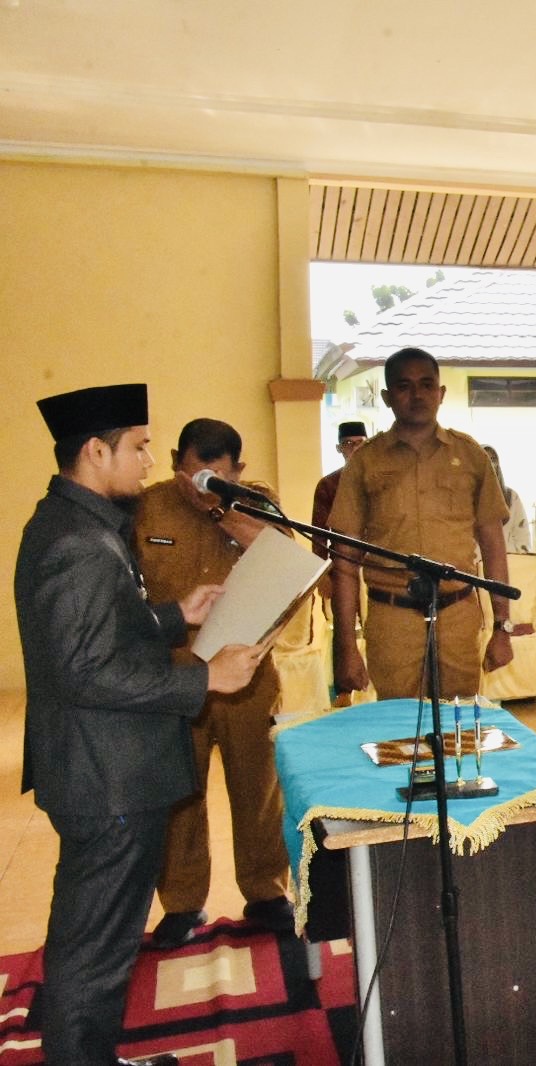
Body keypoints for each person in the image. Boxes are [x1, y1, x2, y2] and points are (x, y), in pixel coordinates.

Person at [18, 383, 263, 1066]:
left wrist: (175, 615)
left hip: (106, 768)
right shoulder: (79, 543)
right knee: (95, 950)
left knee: (98, 939)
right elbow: (86, 672)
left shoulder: (79, 525)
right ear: (96, 453)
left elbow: (99, 634)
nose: (151, 461)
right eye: (139, 446)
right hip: (109, 778)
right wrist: (204, 678)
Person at [134, 419, 294, 949]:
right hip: (176, 674)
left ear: (237, 471)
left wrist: (222, 507)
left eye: (218, 475)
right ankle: (182, 903)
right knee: (180, 792)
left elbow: (285, 559)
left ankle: (266, 892)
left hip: (247, 672)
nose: (200, 485)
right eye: (194, 473)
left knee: (258, 788)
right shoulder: (146, 507)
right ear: (175, 461)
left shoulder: (256, 503)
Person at [329, 347, 514, 700]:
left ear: (441, 393)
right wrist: (346, 645)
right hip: (392, 617)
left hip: (457, 615)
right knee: (399, 725)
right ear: (387, 397)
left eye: (427, 385)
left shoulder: (470, 455)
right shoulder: (366, 462)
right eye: (405, 386)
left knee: (459, 721)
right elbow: (345, 559)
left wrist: (502, 626)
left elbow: (493, 546)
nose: (417, 395)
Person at [309, 420, 366, 560]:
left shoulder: (379, 480)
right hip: (342, 558)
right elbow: (319, 534)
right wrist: (322, 568)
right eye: (348, 443)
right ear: (338, 448)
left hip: (379, 559)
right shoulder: (328, 485)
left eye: (360, 442)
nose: (355, 448)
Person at [484, 445, 535, 554]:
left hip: (510, 560)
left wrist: (520, 558)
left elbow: (522, 535)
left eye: (493, 459)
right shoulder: (467, 499)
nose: (490, 463)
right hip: (476, 561)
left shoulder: (511, 497)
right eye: (485, 458)